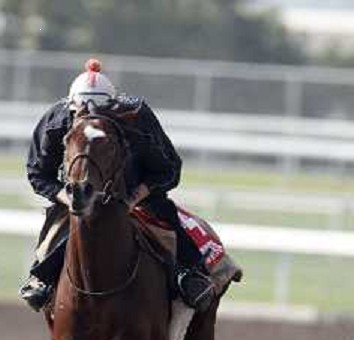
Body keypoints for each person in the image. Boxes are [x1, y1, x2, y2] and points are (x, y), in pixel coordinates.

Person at [19, 58, 215, 312]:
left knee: (166, 217)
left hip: (137, 194)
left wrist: (135, 197)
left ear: (113, 111)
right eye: (81, 115)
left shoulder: (137, 116)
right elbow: (37, 172)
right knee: (56, 229)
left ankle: (189, 272)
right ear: (72, 109)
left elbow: (169, 168)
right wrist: (67, 198)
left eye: (99, 117)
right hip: (77, 195)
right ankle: (41, 277)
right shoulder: (56, 120)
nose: (89, 120)